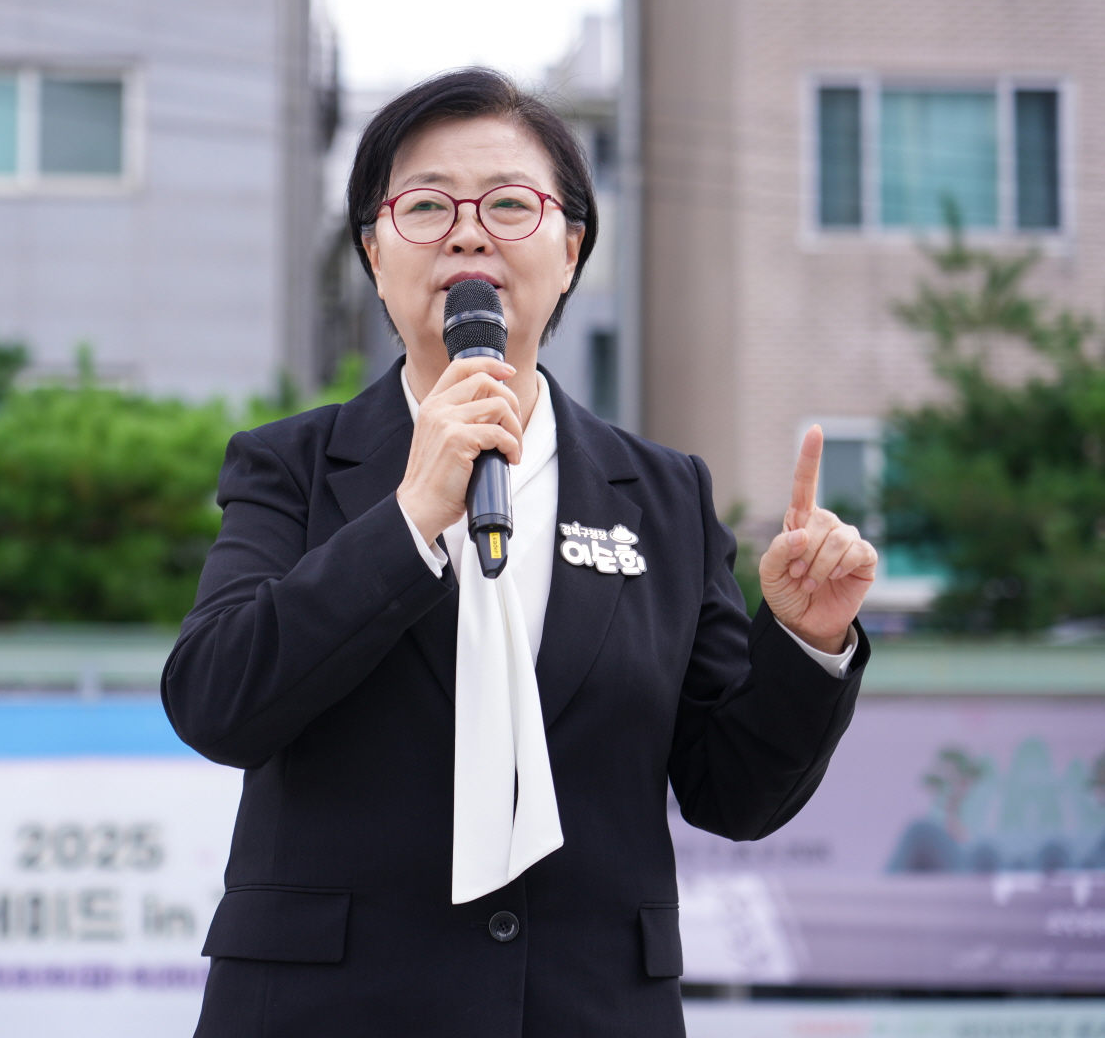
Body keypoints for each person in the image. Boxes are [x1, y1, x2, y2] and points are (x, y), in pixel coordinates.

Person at [162, 69, 877, 1038]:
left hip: (590, 1011)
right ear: (375, 253)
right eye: (426, 207)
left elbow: (735, 794)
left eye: (508, 204)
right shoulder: (293, 466)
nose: (468, 233)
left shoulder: (663, 495)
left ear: (570, 248)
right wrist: (410, 517)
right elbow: (216, 700)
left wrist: (805, 641)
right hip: (324, 1009)